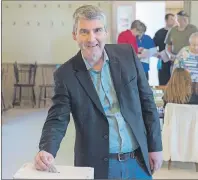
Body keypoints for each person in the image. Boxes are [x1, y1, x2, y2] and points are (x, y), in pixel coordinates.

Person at [34, 5, 163, 179]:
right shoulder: (65, 74)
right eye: (84, 32)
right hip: (98, 165)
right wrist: (47, 149)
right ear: (75, 35)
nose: (91, 38)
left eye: (97, 30)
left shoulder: (127, 55)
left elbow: (147, 101)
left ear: (106, 32)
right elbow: (58, 118)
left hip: (138, 160)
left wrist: (155, 146)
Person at [153, 13, 175, 85]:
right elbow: (153, 46)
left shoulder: (176, 32)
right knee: (163, 82)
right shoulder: (159, 33)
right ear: (166, 20)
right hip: (163, 61)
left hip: (175, 61)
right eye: (171, 19)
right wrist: (157, 54)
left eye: (174, 19)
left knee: (174, 83)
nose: (173, 20)